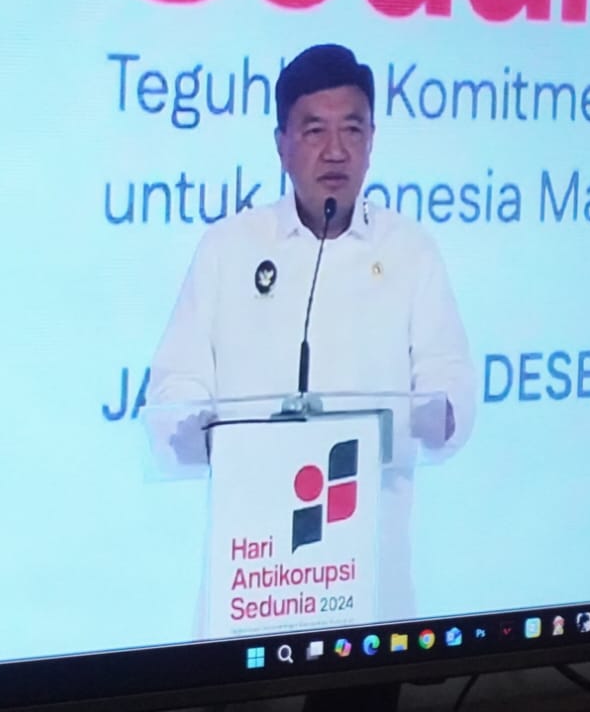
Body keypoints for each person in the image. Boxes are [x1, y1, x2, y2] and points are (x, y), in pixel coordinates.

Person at [149, 44, 476, 621]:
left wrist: (432, 414)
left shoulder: (410, 250)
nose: (336, 150)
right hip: (255, 577)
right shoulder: (229, 248)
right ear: (281, 144)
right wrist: (198, 427)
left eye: (352, 129)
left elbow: (451, 391)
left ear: (372, 140)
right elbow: (176, 386)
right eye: (314, 130)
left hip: (368, 580)